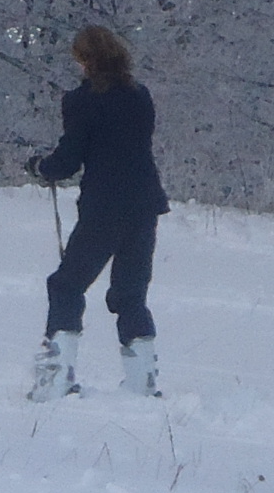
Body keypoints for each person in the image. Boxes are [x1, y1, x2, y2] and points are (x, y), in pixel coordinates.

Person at [26, 24, 168, 399]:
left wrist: (42, 167)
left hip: (105, 207)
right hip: (144, 204)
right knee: (130, 293)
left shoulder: (81, 100)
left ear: (86, 60)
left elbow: (69, 159)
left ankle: (55, 381)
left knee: (66, 285)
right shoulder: (141, 96)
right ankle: (143, 382)